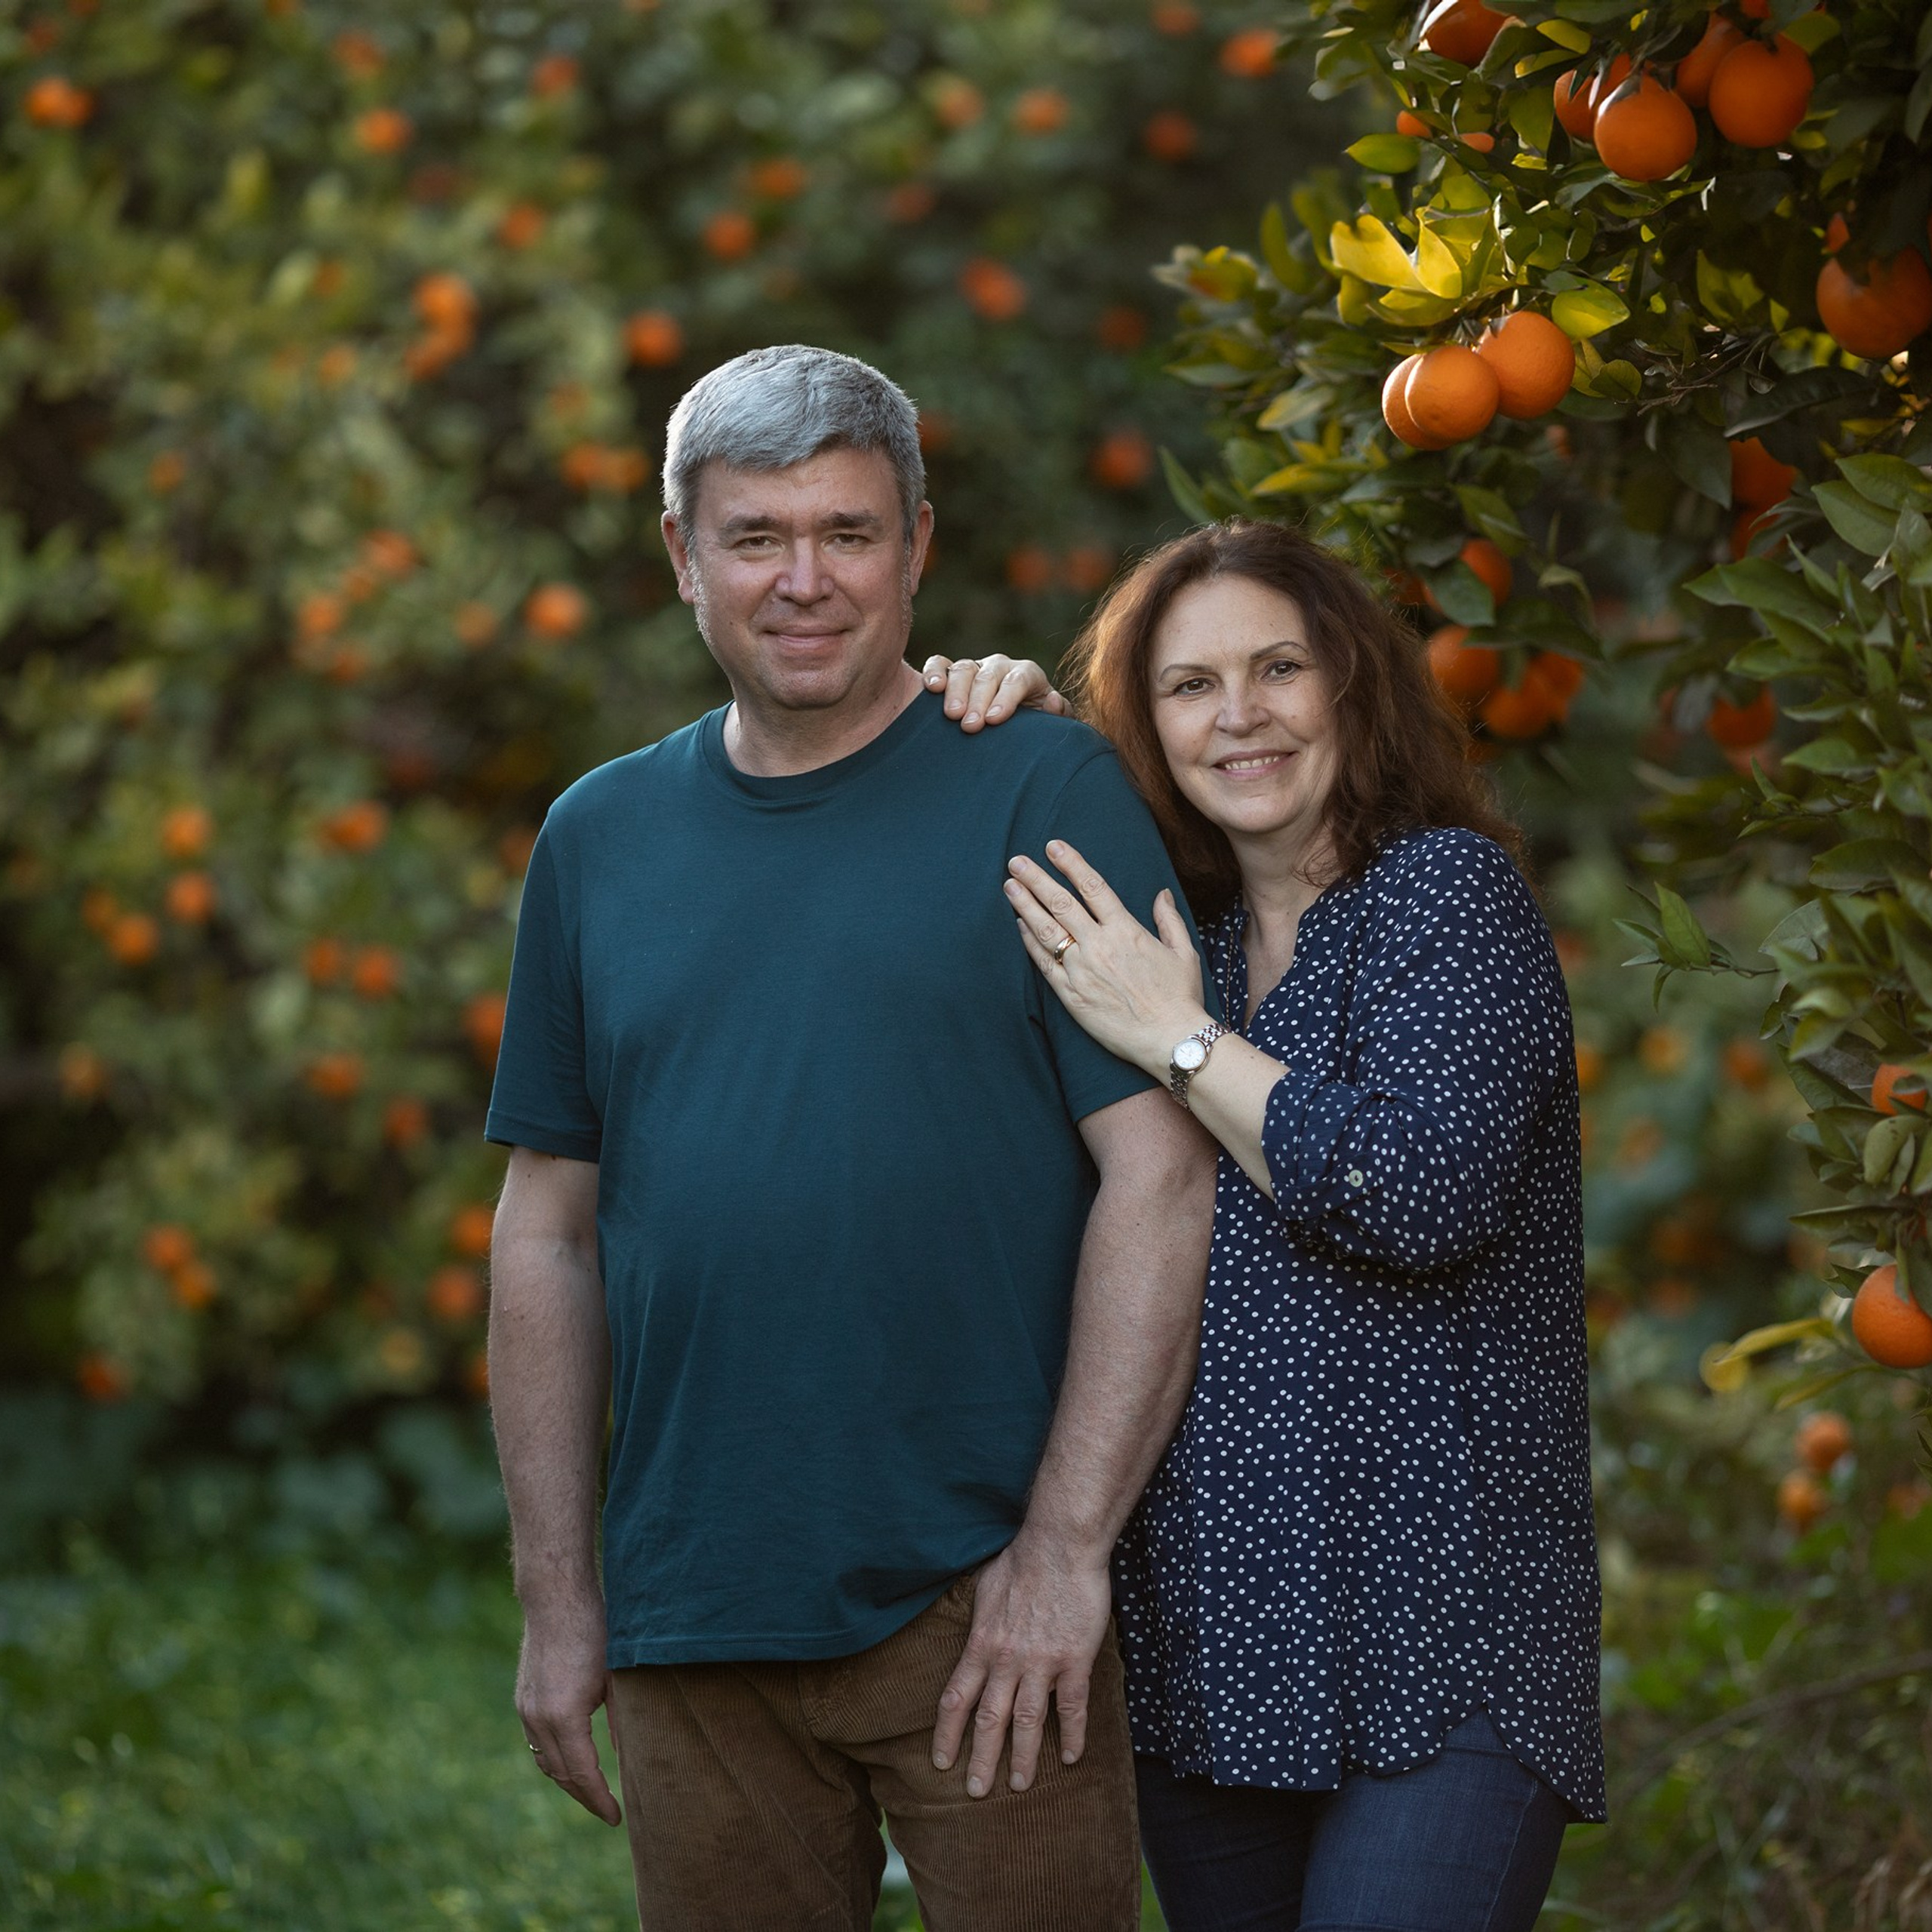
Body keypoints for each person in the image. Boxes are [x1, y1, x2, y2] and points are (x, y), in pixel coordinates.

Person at [481, 343, 1218, 1932]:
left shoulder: (1036, 783)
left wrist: (1064, 1551)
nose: (803, 579)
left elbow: (1158, 1176)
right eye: (756, 537)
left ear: (918, 547)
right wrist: (560, 1594)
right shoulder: (597, 839)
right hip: (695, 1605)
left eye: (848, 531)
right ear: (680, 554)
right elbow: (545, 1224)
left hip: (985, 1604)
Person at [924, 518, 1603, 1932]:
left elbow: (1421, 1190)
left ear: (1351, 683)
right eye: (1188, 686)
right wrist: (1003, 732)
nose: (1240, 716)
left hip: (1445, 1642)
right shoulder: (1192, 943)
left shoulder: (1445, 902)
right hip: (1215, 1651)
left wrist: (1180, 1043)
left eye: (1278, 667)